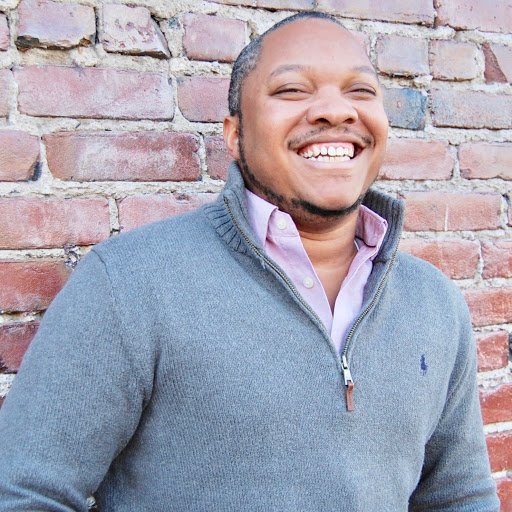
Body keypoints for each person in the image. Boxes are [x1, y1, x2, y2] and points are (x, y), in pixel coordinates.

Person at [0, 11, 499, 511]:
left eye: (361, 91)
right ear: (234, 136)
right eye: (292, 91)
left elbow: (458, 497)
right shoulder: (129, 284)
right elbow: (22, 493)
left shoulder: (435, 303)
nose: (334, 110)